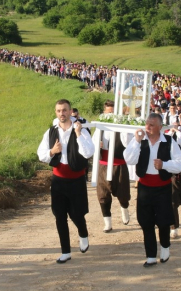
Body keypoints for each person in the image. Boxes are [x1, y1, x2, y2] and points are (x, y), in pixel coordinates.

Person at [124, 113, 181, 267]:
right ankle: (150, 255)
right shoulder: (140, 141)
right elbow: (129, 159)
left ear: (160, 127)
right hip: (144, 187)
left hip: (163, 187)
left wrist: (164, 165)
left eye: (152, 125)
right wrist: (136, 141)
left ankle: (165, 247)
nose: (148, 127)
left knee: (164, 221)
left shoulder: (169, 141)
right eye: (147, 124)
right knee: (146, 221)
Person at [37, 99, 95, 264]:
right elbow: (41, 154)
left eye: (64, 110)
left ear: (70, 112)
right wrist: (52, 151)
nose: (61, 113)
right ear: (56, 113)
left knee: (76, 214)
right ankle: (65, 251)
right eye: (58, 111)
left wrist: (78, 136)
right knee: (59, 215)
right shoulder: (50, 132)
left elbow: (88, 153)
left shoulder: (81, 130)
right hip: (58, 180)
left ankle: (83, 233)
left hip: (76, 179)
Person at [93, 100, 131, 232]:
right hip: (103, 164)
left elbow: (127, 143)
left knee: (123, 193)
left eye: (113, 113)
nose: (111, 115)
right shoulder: (100, 127)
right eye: (108, 113)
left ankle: (124, 208)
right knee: (102, 194)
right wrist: (98, 145)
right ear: (104, 113)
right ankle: (107, 222)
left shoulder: (123, 126)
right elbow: (93, 144)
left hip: (119, 164)